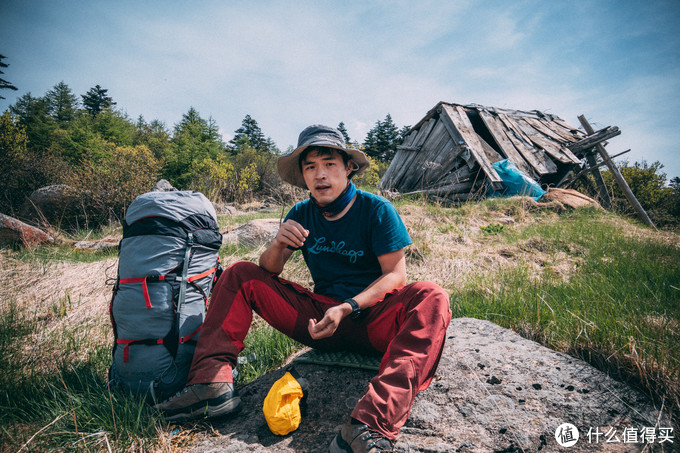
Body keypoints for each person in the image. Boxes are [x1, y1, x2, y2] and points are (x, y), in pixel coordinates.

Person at [155, 124, 452, 453]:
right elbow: (269, 270)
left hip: (372, 321)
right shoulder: (301, 213)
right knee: (239, 273)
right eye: (310, 167)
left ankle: (369, 425)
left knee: (432, 296)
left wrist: (347, 307)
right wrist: (278, 243)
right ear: (303, 175)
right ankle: (210, 384)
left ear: (348, 167)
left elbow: (396, 276)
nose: (320, 175)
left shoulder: (377, 210)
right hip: (320, 323)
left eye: (328, 164)